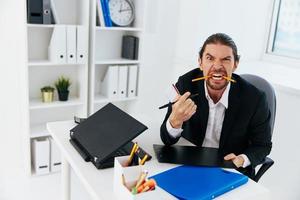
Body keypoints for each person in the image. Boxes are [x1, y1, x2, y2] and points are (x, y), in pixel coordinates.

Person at [160, 33, 272, 178]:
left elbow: (263, 145)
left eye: (226, 59)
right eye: (210, 58)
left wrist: (242, 159)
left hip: (229, 170)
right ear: (200, 62)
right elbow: (167, 139)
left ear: (235, 64)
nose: (217, 66)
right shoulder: (186, 84)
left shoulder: (255, 98)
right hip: (190, 164)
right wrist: (174, 122)